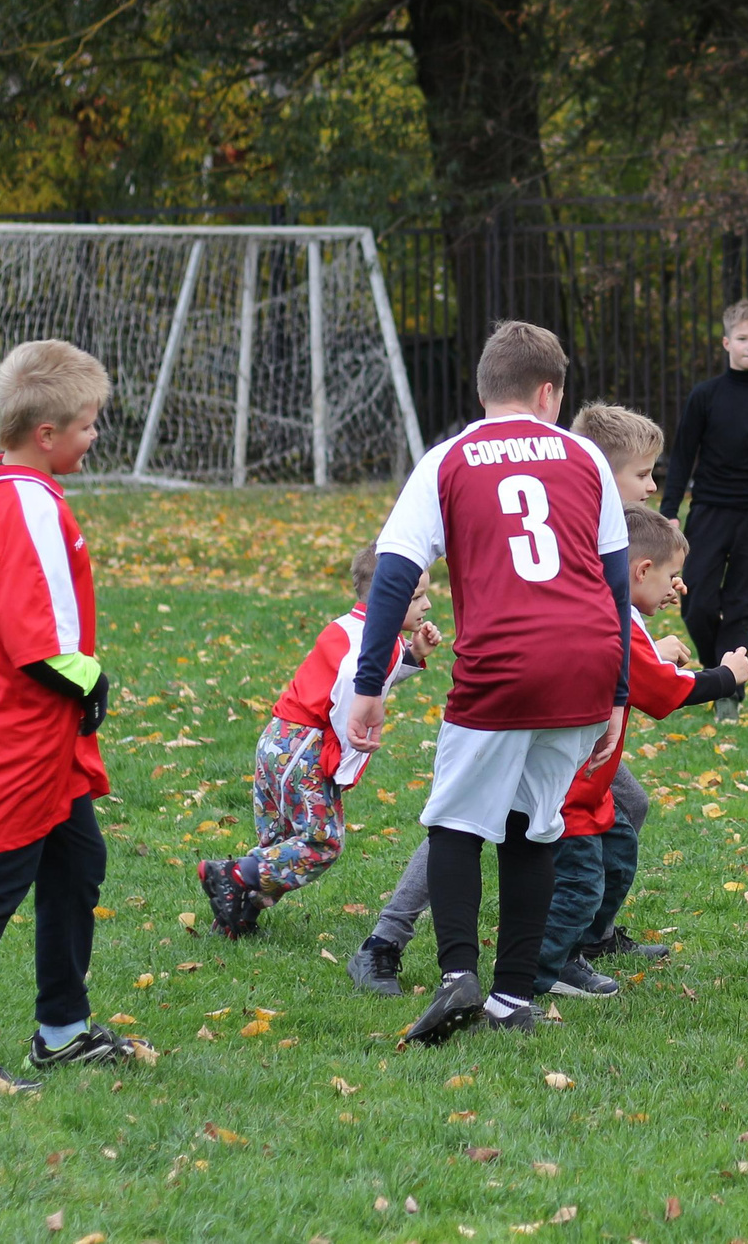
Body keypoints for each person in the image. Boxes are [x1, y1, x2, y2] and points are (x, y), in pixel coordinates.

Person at [339, 321, 632, 1044]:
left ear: (483, 390)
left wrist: (371, 679)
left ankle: (456, 975)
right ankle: (511, 998)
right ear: (547, 393)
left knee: (455, 822)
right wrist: (619, 691)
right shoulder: (586, 455)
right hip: (585, 660)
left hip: (503, 664)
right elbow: (618, 579)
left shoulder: (448, 459)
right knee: (535, 824)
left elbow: (395, 571)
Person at [351, 402, 685, 995]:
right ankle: (391, 939)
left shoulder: (561, 481)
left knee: (620, 804)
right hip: (524, 684)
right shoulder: (571, 479)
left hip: (558, 685)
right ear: (604, 477)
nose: (652, 486)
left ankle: (577, 937)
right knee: (476, 821)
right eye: (641, 474)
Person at [0, 340, 147, 1093]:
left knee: (79, 860)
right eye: (87, 425)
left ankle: (63, 1030)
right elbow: (36, 634)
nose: (94, 436)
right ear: (45, 434)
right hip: (18, 729)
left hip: (28, 725)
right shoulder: (28, 502)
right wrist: (92, 680)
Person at [539, 507, 747, 999]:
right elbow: (656, 692)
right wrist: (726, 677)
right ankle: (547, 965)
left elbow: (638, 662)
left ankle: (591, 941)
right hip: (568, 788)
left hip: (591, 787)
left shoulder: (615, 608)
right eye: (671, 576)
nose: (678, 586)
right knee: (580, 884)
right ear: (641, 571)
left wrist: (657, 646)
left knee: (619, 850)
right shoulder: (610, 616)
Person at [197, 545, 439, 939]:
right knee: (320, 844)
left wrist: (411, 655)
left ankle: (235, 916)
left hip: (277, 740)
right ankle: (233, 875)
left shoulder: (347, 625)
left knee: (280, 843)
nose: (427, 605)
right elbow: (352, 685)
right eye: (415, 597)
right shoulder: (375, 643)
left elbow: (370, 678)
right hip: (306, 748)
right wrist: (346, 756)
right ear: (386, 596)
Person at [661, 300, 748, 690]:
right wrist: (670, 510)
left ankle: (728, 693)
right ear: (727, 343)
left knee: (740, 607)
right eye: (743, 338)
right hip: (709, 511)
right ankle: (722, 670)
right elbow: (682, 456)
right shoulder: (705, 397)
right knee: (696, 603)